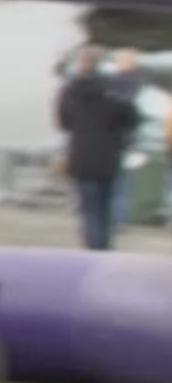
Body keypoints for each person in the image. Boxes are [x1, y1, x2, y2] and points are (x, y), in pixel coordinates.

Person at [58, 46, 138, 251]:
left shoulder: (69, 91)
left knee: (88, 209)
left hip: (81, 154)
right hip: (109, 154)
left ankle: (92, 248)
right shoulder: (114, 90)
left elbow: (64, 123)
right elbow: (131, 119)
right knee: (106, 207)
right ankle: (104, 248)